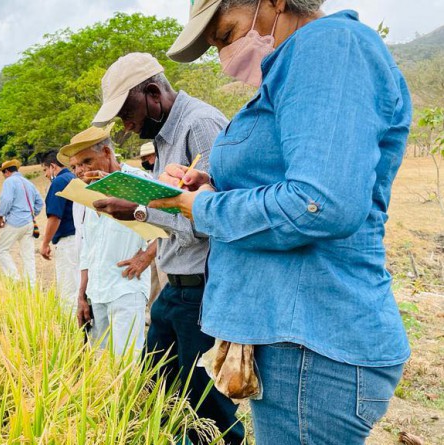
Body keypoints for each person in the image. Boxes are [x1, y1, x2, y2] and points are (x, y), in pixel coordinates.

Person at [150, 1, 412, 443]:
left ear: (272, 3)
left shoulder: (329, 47)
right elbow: (296, 177)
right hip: (296, 338)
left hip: (313, 341)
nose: (225, 58)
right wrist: (213, 183)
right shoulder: (295, 65)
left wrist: (201, 207)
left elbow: (320, 203)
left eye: (227, 34)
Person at [91, 52, 242, 444]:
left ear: (154, 93)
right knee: (158, 389)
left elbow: (214, 219)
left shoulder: (201, 124)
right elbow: (172, 210)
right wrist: (138, 209)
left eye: (127, 113)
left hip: (203, 289)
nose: (126, 126)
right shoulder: (163, 137)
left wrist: (139, 210)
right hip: (174, 287)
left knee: (208, 404)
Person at [59, 124, 150, 355]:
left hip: (126, 288)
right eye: (75, 166)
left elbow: (172, 221)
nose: (80, 171)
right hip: (97, 291)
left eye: (87, 162)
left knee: (125, 366)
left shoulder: (138, 180)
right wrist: (82, 293)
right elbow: (88, 247)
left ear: (107, 153)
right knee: (100, 365)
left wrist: (146, 257)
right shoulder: (89, 191)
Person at [39, 150, 80, 310]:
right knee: (79, 286)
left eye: (45, 170)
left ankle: (71, 328)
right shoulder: (73, 178)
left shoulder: (59, 181)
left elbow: (54, 216)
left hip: (68, 240)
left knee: (68, 288)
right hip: (80, 238)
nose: (45, 175)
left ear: (52, 166)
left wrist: (45, 243)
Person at [0, 159, 44, 286]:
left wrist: (1, 216)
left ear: (7, 172)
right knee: (28, 256)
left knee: (2, 250)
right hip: (29, 222)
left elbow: (6, 200)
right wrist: (32, 213)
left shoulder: (9, 181)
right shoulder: (28, 183)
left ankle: (15, 279)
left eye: (3, 173)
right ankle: (31, 286)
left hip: (15, 222)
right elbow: (40, 202)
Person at [137, 141, 168, 325]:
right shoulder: (148, 177)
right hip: (151, 234)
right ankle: (153, 313)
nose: (146, 161)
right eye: (143, 158)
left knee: (165, 278)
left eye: (148, 156)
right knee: (153, 279)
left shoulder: (164, 176)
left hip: (164, 234)